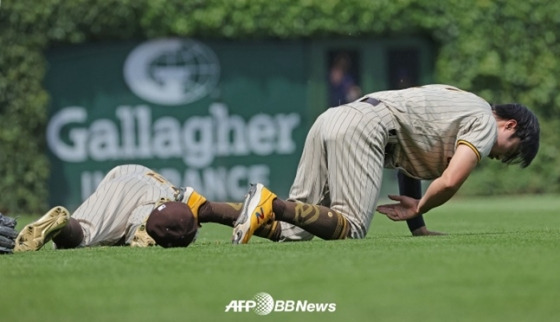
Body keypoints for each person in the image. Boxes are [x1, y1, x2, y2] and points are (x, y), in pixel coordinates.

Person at [224, 84, 539, 243]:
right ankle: (271, 203)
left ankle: (198, 206)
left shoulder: (461, 101)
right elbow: (450, 181)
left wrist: (418, 228)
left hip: (335, 117)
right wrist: (421, 207)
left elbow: (409, 163)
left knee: (296, 232)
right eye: (509, 151)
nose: (499, 157)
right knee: (352, 228)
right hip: (364, 126)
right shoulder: (484, 121)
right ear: (510, 125)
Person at [15, 164, 200, 251]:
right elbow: (213, 211)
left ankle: (65, 224)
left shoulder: (178, 193)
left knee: (85, 225)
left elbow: (213, 210)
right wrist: (230, 219)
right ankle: (139, 233)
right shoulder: (179, 197)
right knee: (86, 238)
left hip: (128, 174)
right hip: (155, 200)